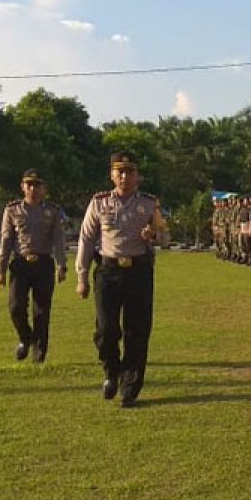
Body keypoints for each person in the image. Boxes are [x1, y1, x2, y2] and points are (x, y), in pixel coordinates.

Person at [75, 152, 169, 407]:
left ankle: (130, 385)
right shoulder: (99, 202)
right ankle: (111, 371)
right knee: (106, 330)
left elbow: (165, 237)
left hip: (138, 272)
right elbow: (86, 238)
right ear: (112, 175)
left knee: (137, 330)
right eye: (119, 171)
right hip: (108, 271)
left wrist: (153, 234)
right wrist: (81, 276)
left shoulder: (150, 204)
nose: (124, 176)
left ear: (137, 175)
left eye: (129, 171)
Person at [0, 170, 67, 363]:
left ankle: (39, 350)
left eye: (37, 185)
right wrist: (1, 269)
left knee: (42, 310)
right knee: (15, 306)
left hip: (43, 264)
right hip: (21, 264)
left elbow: (58, 241)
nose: (33, 189)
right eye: (29, 185)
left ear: (44, 188)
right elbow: (6, 240)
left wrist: (61, 265)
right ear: (22, 187)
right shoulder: (12, 210)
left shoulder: (52, 211)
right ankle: (25, 338)